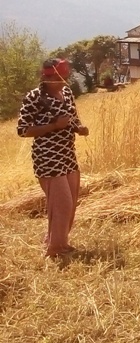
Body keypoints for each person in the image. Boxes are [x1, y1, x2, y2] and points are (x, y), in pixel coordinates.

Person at [17, 58, 89, 259]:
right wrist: (53, 126)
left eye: (61, 77)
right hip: (48, 158)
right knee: (62, 203)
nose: (60, 81)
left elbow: (72, 118)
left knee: (71, 201)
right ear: (45, 76)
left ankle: (56, 240)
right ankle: (56, 250)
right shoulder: (34, 98)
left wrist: (79, 128)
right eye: (53, 77)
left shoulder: (66, 93)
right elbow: (23, 130)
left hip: (67, 155)